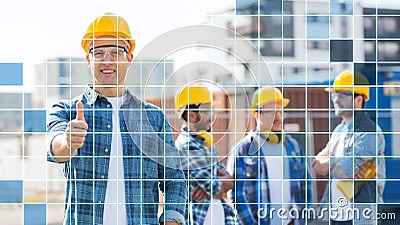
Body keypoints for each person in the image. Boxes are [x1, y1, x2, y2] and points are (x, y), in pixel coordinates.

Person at [46, 12, 187, 224]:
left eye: (115, 52)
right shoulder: (67, 111)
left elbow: (175, 179)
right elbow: (54, 146)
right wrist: (67, 143)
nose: (107, 61)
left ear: (129, 58)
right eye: (99, 53)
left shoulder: (153, 118)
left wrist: (172, 220)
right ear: (88, 59)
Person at [227, 87, 312, 225]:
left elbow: (306, 184)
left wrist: (303, 219)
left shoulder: (293, 147)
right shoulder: (243, 150)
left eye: (280, 112)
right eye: (272, 112)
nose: (278, 117)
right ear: (257, 114)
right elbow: (237, 195)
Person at [313, 70, 386, 225]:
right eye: (334, 95)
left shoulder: (369, 131)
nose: (335, 100)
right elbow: (316, 166)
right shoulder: (338, 131)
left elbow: (344, 171)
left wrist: (332, 165)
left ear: (358, 99)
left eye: (342, 95)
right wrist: (338, 163)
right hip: (334, 216)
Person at [174, 83, 238, 225]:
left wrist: (217, 185)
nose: (212, 116)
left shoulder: (205, 144)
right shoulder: (187, 146)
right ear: (191, 115)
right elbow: (214, 187)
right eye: (207, 111)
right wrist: (217, 184)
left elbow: (227, 183)